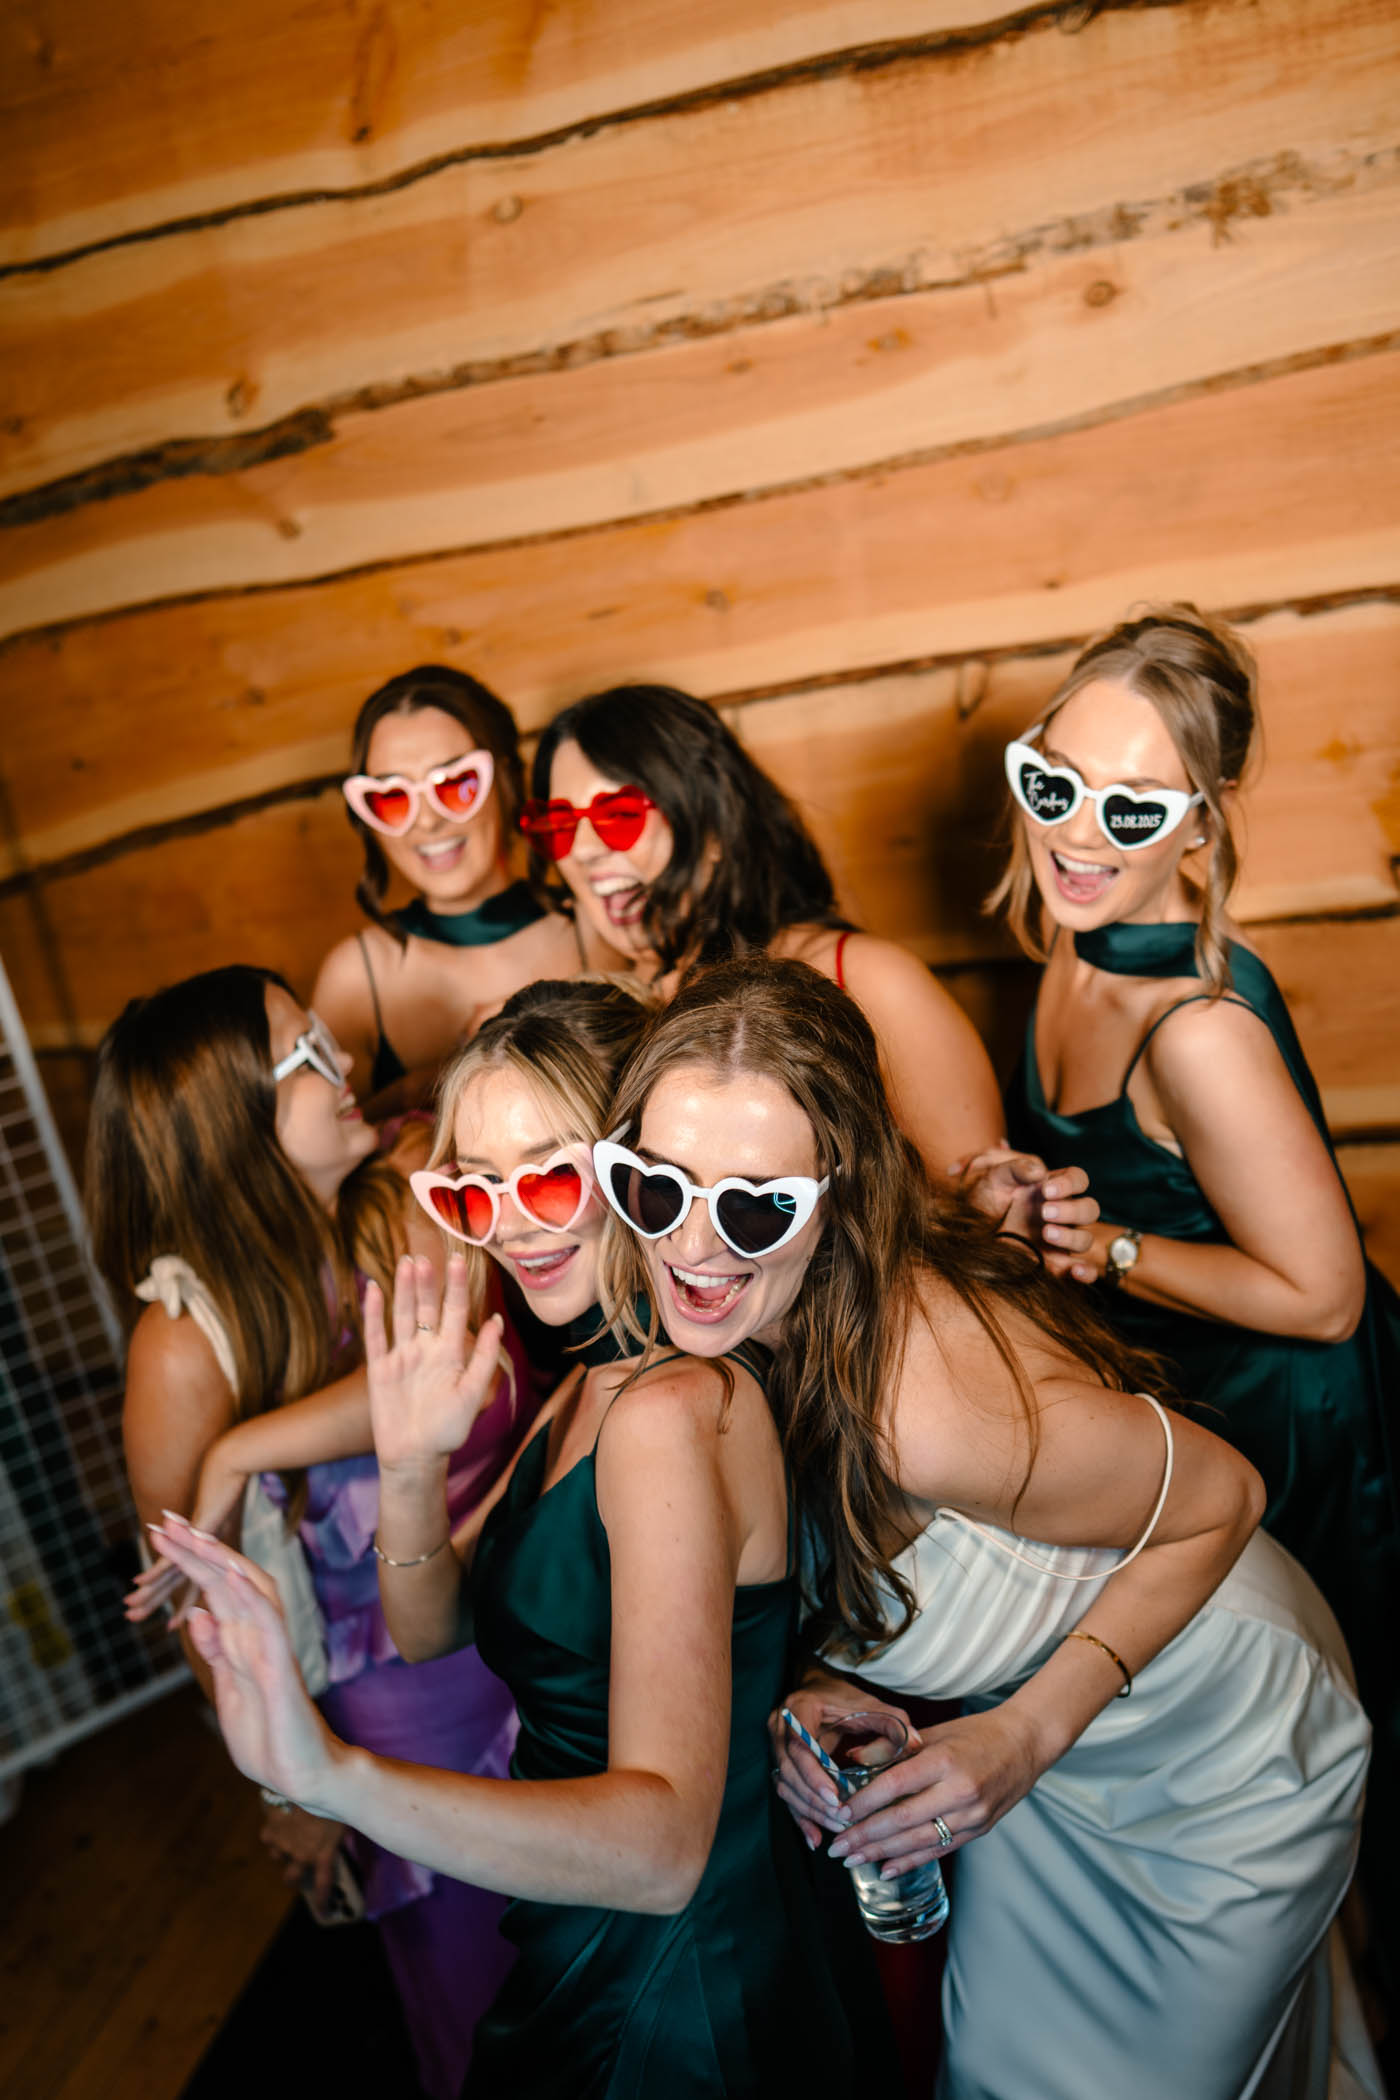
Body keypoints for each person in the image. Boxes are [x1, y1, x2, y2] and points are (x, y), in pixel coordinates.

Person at [586, 956, 1373, 2100]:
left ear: (837, 1196)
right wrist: (810, 1684)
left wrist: (1022, 1739)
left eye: (755, 1205)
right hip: (1036, 1757)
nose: (694, 1248)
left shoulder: (920, 1410)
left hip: (1213, 1735)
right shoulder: (719, 1340)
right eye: (654, 1185)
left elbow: (1223, 1499)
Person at [147, 977, 871, 2098]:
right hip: (586, 1945)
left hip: (676, 1989)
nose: (515, 1226)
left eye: (547, 1175)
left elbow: (665, 1849)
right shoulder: (586, 1390)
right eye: (475, 1196)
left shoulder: (672, 1414)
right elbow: (430, 1625)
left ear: (640, 1163)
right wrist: (408, 1461)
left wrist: (330, 1773)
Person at [993, 603, 1398, 1994]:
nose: (1078, 832)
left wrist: (1092, 1250)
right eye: (1054, 786)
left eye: (1132, 805)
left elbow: (1325, 1297)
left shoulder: (1200, 1031)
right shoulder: (1072, 937)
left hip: (1300, 1426)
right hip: (1189, 1413)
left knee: (1333, 1781)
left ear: (1200, 829)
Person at [87, 966, 530, 2099]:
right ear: (224, 1126)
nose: (337, 1066)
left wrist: (247, 1449)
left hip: (534, 1628)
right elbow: (204, 1611)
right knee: (489, 1996)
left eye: (323, 1040)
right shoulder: (183, 1346)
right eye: (298, 1060)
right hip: (401, 1708)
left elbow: (449, 1337)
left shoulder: (388, 1198)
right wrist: (292, 1792)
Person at [523, 684, 1096, 1268]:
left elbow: (983, 1223)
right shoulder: (597, 1013)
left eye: (618, 816)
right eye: (561, 825)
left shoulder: (868, 978)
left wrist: (984, 1206)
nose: (586, 850)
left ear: (712, 823)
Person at [312, 665, 622, 1106]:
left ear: (508, 780)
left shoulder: (596, 932)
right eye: (393, 798)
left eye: (457, 784)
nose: (428, 819)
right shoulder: (355, 978)